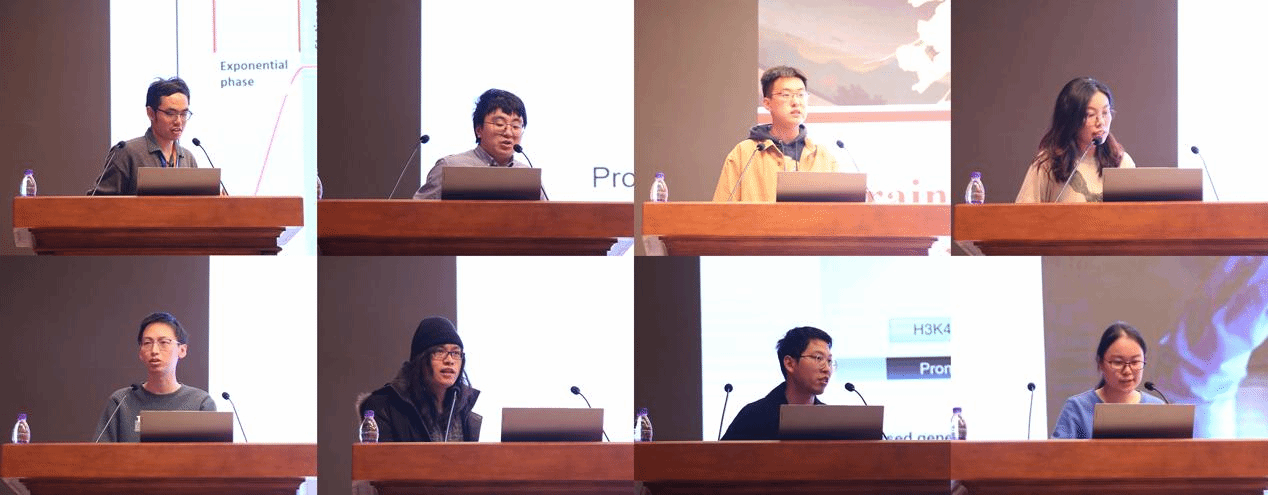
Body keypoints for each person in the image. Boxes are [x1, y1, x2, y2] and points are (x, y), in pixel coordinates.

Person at [712, 66, 839, 202]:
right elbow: (721, 210)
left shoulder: (823, 157)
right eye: (786, 95)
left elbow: (839, 210)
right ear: (767, 103)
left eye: (801, 95)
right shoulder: (744, 153)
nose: (796, 102)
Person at [95, 312, 216, 442]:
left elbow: (214, 454)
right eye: (147, 343)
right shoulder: (121, 402)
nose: (154, 351)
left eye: (164, 342)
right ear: (140, 353)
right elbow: (99, 452)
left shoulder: (200, 403)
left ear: (182, 350)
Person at [358, 316, 482, 441]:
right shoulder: (384, 406)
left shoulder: (463, 410)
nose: (449, 360)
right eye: (439, 352)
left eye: (455, 353)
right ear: (420, 359)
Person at [1016, 77, 1136, 203]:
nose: (1100, 122)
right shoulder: (1048, 164)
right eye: (1090, 115)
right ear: (1071, 120)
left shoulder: (1122, 162)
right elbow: (1023, 212)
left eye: (1105, 112)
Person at [1051, 322, 1164, 439]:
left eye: (1135, 362)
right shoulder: (1077, 408)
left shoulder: (1157, 408)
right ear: (1100, 363)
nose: (1127, 371)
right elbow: (1057, 450)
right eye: (1118, 362)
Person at [89, 77, 200, 195]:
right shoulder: (127, 153)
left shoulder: (188, 158)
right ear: (151, 113)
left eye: (184, 114)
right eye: (170, 113)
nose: (178, 121)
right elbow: (97, 201)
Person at [414, 89, 532, 199]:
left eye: (516, 126)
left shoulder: (527, 175)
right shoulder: (450, 168)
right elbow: (415, 211)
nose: (508, 133)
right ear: (479, 129)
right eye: (499, 124)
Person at [722, 326, 835, 440]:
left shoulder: (831, 422)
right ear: (789, 364)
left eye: (829, 361)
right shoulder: (753, 417)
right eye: (818, 358)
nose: (827, 369)